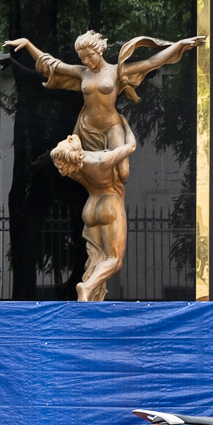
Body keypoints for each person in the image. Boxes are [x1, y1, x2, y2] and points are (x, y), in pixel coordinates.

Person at [3, 31, 205, 153]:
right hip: (86, 128)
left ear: (100, 50)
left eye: (90, 56)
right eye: (82, 58)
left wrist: (179, 45)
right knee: (68, 159)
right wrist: (29, 44)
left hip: (110, 125)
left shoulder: (117, 71)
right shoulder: (82, 72)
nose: (86, 61)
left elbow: (151, 62)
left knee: (121, 171)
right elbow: (53, 64)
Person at [50, 124, 137, 302]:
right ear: (74, 152)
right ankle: (87, 286)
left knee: (98, 257)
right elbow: (131, 146)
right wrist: (125, 124)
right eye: (68, 141)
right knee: (114, 259)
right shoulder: (100, 161)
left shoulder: (74, 168)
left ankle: (91, 292)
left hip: (91, 206)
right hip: (109, 203)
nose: (70, 136)